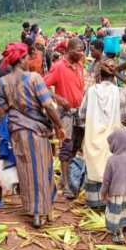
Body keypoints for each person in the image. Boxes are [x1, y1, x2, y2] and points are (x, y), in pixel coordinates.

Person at [0, 43, 65, 227]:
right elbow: (48, 105)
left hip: (17, 133)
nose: (29, 61)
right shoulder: (34, 78)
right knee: (41, 170)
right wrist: (59, 125)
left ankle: (34, 209)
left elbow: (2, 112)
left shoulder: (2, 83)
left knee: (26, 172)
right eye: (27, 58)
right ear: (21, 59)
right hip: (36, 132)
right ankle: (41, 213)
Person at [44, 38, 85, 199]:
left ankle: (64, 179)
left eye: (83, 50)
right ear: (70, 50)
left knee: (76, 146)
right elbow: (43, 86)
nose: (82, 53)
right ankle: (67, 185)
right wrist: (58, 98)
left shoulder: (80, 65)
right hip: (65, 112)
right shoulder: (59, 67)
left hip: (79, 112)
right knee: (66, 146)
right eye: (79, 50)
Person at [79, 59, 122, 209]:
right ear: (114, 76)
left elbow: (82, 113)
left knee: (93, 167)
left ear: (99, 75)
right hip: (112, 137)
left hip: (92, 136)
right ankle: (108, 202)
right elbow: (124, 115)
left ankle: (94, 202)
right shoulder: (119, 92)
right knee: (109, 167)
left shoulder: (91, 91)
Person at [101, 128, 126, 244]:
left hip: (116, 193)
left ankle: (117, 234)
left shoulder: (112, 160)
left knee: (116, 213)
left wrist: (103, 192)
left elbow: (106, 179)